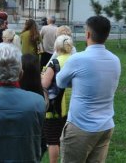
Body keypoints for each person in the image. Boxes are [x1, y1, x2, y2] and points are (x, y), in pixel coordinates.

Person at [57, 15, 121, 162]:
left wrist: (75, 82)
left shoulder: (78, 59)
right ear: (107, 35)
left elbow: (60, 81)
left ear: (87, 34)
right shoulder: (115, 60)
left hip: (80, 126)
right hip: (105, 125)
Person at [41, 35, 74, 163]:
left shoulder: (54, 62)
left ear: (56, 47)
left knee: (52, 139)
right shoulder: (74, 60)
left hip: (55, 105)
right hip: (71, 103)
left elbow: (45, 84)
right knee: (64, 136)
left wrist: (41, 77)